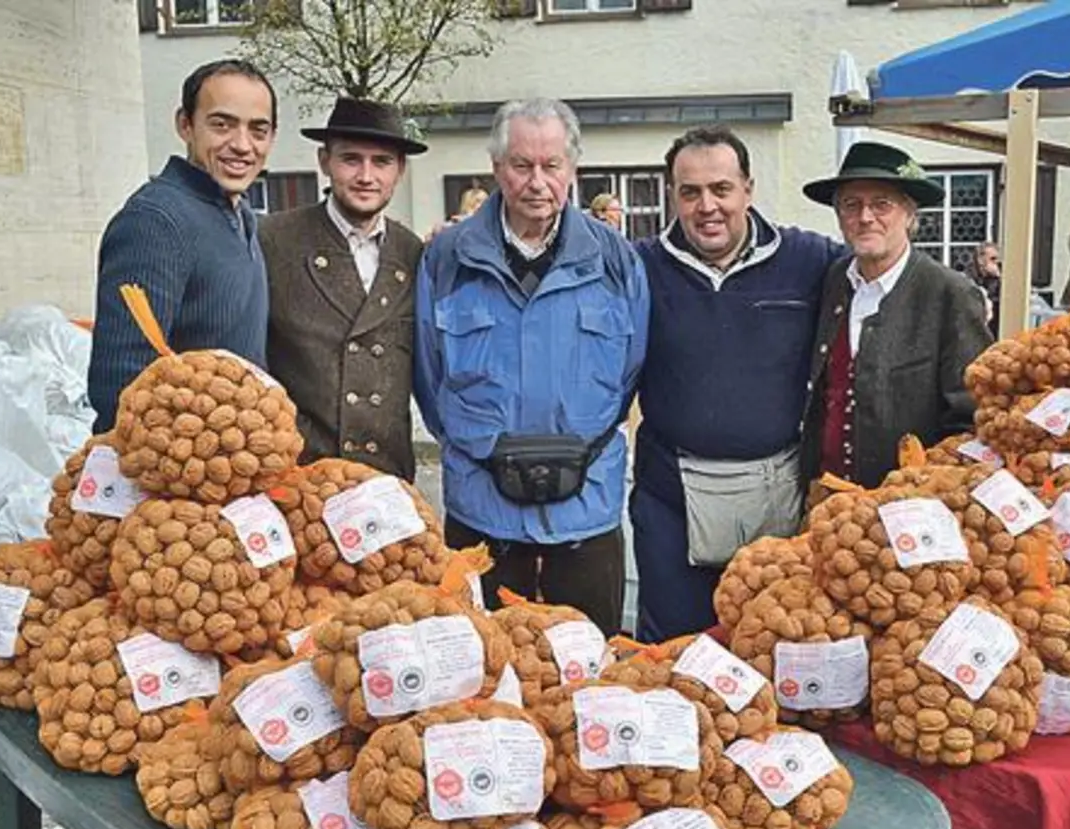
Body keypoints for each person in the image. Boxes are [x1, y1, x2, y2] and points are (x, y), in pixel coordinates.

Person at [414, 99, 649, 634]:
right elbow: (429, 379)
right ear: (497, 168)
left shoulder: (616, 260)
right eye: (522, 165)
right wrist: (483, 450)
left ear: (573, 169)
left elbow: (631, 372)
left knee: (589, 666)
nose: (537, 182)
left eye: (551, 165)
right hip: (482, 513)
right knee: (483, 666)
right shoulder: (447, 258)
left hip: (586, 512)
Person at [630, 125, 842, 642]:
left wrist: (956, 297)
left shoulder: (810, 259)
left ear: (748, 188)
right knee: (676, 652)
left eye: (721, 189)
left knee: (772, 644)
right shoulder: (639, 266)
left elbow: (884, 275)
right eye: (690, 192)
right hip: (672, 498)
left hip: (777, 492)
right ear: (672, 196)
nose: (707, 206)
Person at [88, 59, 277, 432]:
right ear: (185, 124)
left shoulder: (241, 214)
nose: (242, 145)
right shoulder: (156, 221)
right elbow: (122, 386)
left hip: (238, 453)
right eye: (222, 124)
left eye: (258, 129)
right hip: (178, 461)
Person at [800, 142, 991, 488]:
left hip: (912, 504)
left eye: (881, 204)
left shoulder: (950, 294)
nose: (865, 217)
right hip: (828, 499)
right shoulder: (833, 281)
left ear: (910, 214)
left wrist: (930, 490)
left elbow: (973, 416)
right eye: (851, 205)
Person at [260, 98, 429, 480]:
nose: (366, 176)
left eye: (381, 162)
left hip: (386, 480)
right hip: (299, 479)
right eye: (351, 159)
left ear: (400, 170)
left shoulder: (413, 253)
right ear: (324, 161)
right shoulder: (274, 241)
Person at [965, 241, 1001, 327]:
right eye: (992, 259)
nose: (996, 262)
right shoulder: (969, 277)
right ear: (980, 260)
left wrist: (999, 277)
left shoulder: (999, 276)